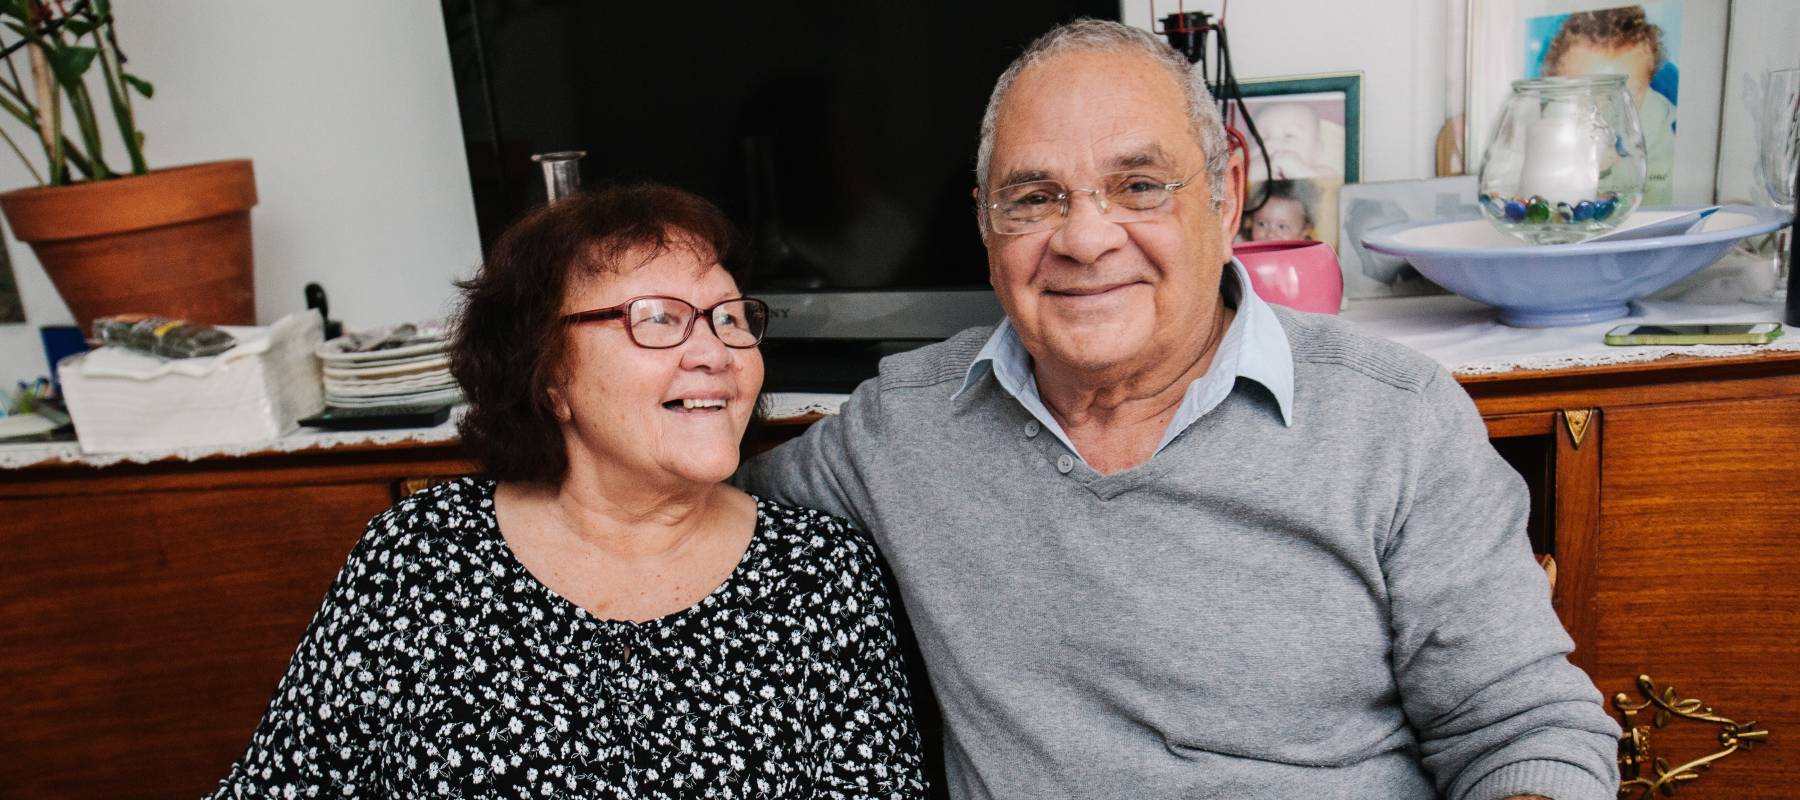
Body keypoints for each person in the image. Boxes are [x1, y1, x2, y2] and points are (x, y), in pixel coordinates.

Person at [739, 19, 1621, 800]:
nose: (1085, 238)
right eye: (1034, 198)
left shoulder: (1394, 420)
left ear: (1227, 193)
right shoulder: (903, 430)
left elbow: (1524, 734)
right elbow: (690, 513)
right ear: (985, 224)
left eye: (1138, 186)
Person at [209, 184, 925, 798]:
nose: (713, 352)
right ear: (547, 374)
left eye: (730, 318)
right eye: (657, 320)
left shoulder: (821, 575)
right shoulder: (419, 557)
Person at [1541, 6, 1676, 204]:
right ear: (1557, 83)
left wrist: (1615, 168)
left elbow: (1659, 192)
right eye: (1585, 94)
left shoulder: (1658, 117)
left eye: (1627, 93)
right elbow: (1542, 184)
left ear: (1648, 84)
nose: (1604, 109)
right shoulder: (1555, 115)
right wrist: (1585, 165)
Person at [1245, 179, 1315, 241]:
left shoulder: (1311, 255)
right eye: (1261, 224)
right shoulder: (1242, 253)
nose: (1270, 235)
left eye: (1282, 227)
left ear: (1304, 231)